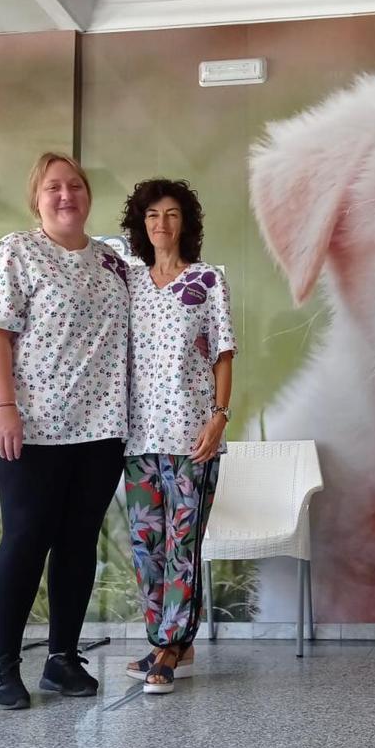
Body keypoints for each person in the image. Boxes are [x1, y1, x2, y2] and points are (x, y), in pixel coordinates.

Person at [0, 152, 129, 709]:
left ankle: (62, 660)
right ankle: (1, 666)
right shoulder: (15, 252)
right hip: (28, 425)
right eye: (53, 188)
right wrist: (5, 405)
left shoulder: (113, 262)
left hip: (99, 429)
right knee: (25, 538)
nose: (66, 195)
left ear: (88, 195)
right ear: (36, 199)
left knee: (77, 543)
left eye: (75, 185)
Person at [120, 178, 236, 694]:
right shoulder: (127, 283)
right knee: (147, 546)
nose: (160, 224)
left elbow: (223, 353)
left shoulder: (208, 280)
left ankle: (171, 647)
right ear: (141, 225)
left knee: (182, 543)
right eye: (151, 216)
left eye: (170, 214)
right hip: (137, 436)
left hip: (193, 433)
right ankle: (164, 641)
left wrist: (220, 415)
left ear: (185, 222)